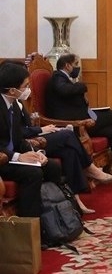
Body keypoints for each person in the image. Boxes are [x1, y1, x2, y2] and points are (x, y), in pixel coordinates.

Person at [45, 54, 112, 186]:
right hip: (73, 124)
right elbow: (64, 90)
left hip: (82, 117)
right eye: (76, 65)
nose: (78, 68)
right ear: (67, 65)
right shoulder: (57, 77)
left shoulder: (65, 78)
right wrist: (82, 86)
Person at [0, 62, 62, 217]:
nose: (28, 89)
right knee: (32, 173)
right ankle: (30, 224)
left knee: (51, 166)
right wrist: (18, 156)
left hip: (13, 157)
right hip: (2, 159)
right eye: (25, 86)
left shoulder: (14, 105)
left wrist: (36, 153)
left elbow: (19, 139)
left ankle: (53, 217)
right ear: (12, 90)